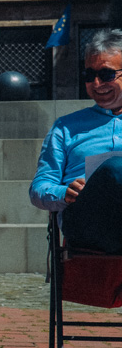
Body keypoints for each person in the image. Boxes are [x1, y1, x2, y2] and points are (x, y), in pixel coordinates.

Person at [30, 28, 122, 253]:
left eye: (107, 74)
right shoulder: (66, 127)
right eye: (89, 75)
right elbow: (39, 188)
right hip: (86, 224)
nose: (97, 84)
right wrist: (64, 193)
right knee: (116, 166)